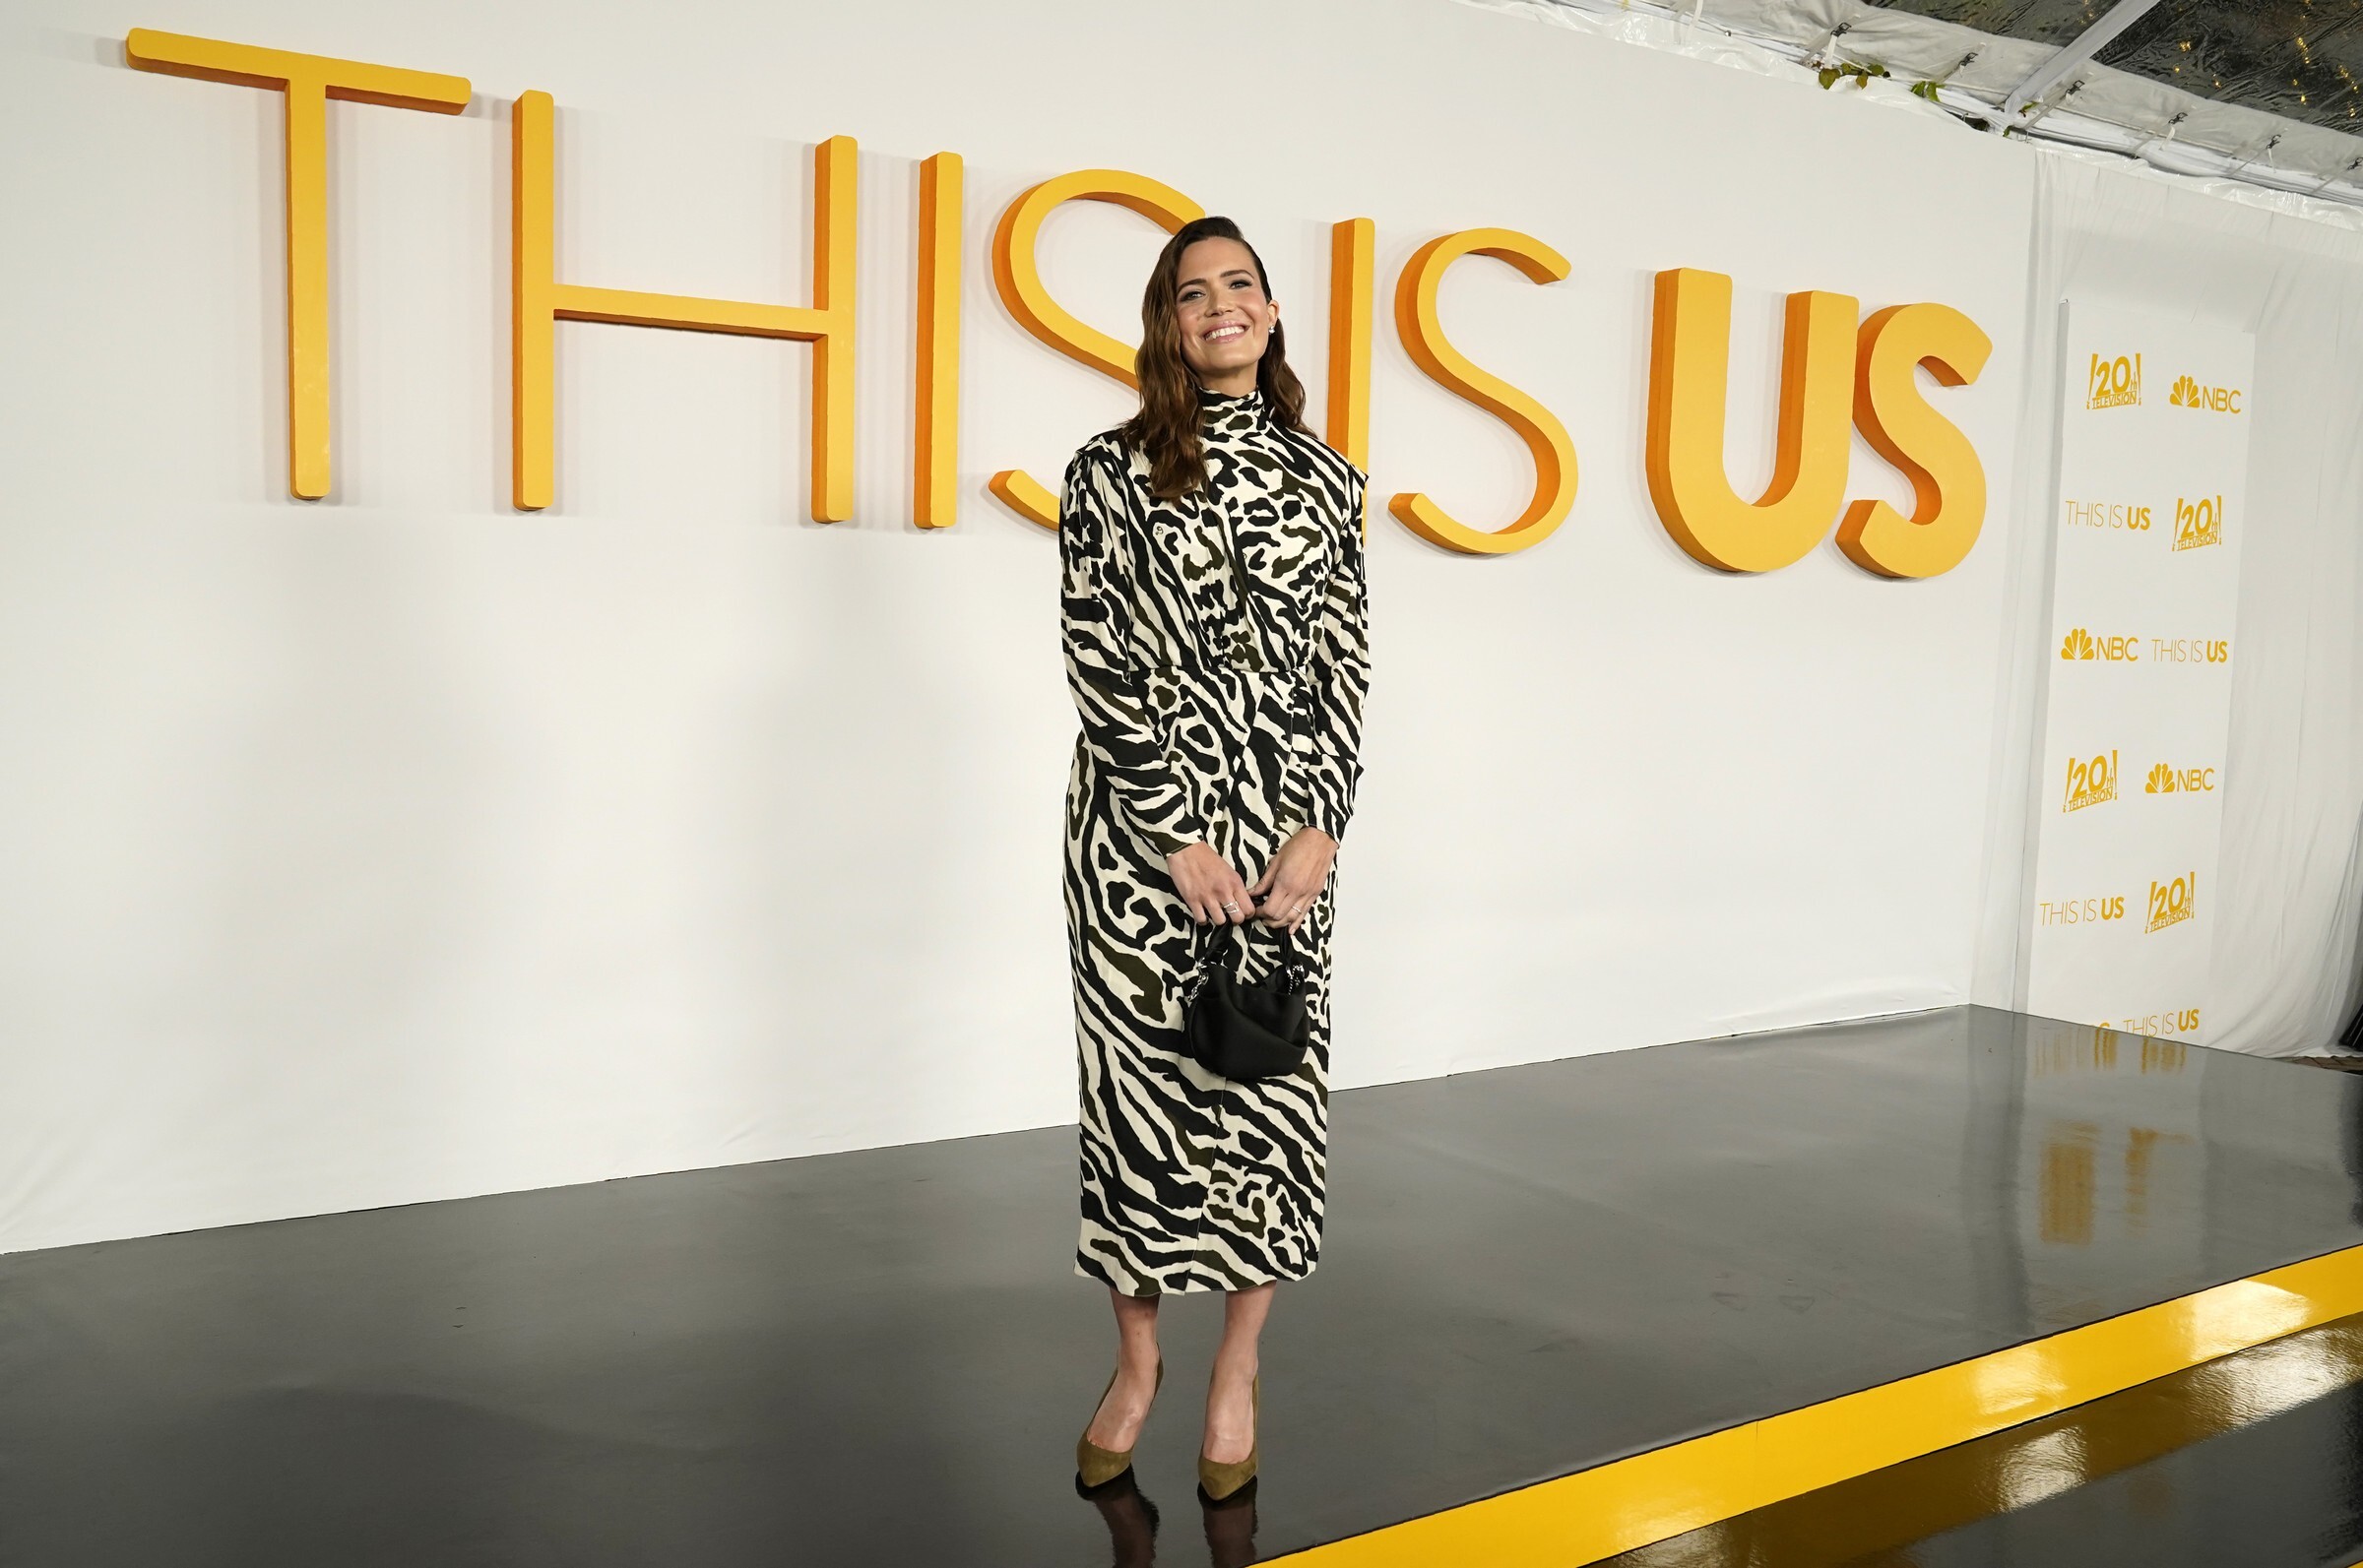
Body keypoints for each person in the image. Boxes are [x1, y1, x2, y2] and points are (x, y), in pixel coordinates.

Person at [1058, 216, 1371, 1501]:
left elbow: (1345, 662)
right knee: (1139, 1107)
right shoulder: (1109, 469)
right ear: (1169, 322)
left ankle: (1237, 1368)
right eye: (1194, 292)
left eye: (1240, 284)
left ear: (1273, 311)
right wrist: (1171, 829)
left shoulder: (1328, 477)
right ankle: (1137, 1366)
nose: (1221, 305)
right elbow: (1095, 654)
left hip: (1283, 835)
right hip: (1140, 842)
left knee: (1267, 1101)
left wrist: (1322, 821)